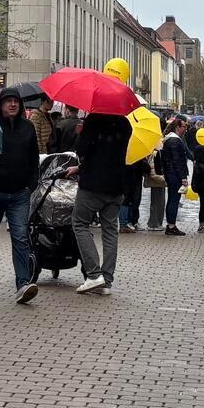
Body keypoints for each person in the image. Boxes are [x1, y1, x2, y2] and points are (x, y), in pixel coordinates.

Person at [0, 87, 41, 302]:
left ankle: (22, 284)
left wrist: (31, 184)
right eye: (8, 101)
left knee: (20, 237)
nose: (12, 104)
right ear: (0, 105)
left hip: (20, 193)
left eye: (16, 101)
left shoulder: (28, 127)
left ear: (20, 105)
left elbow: (34, 158)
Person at [66, 110, 129, 294]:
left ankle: (94, 275)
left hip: (93, 185)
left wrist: (82, 132)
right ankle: (107, 281)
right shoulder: (125, 124)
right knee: (110, 231)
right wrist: (80, 168)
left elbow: (82, 150)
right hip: (116, 185)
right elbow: (108, 155)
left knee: (79, 223)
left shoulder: (94, 120)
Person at [156, 118, 191, 235]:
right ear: (177, 127)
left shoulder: (168, 139)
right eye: (184, 126)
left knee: (172, 199)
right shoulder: (175, 141)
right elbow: (178, 161)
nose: (185, 129)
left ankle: (170, 224)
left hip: (170, 174)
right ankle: (171, 226)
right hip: (175, 175)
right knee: (174, 200)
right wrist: (183, 178)